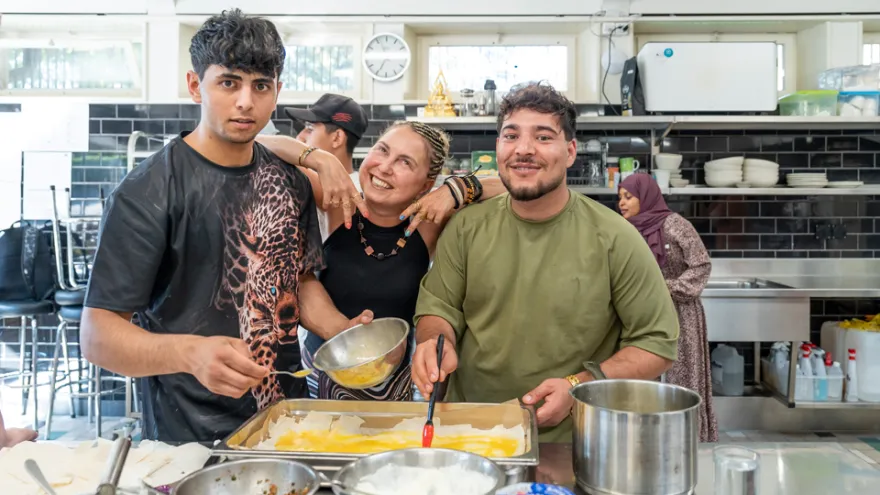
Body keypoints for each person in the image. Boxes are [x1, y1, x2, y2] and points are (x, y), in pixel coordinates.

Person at [80, 9, 367, 442]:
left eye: (261, 86)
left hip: (284, 422)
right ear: (196, 86)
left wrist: (337, 330)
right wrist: (191, 353)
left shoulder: (290, 182)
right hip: (188, 434)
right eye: (229, 82)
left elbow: (296, 280)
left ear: (276, 91)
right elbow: (98, 335)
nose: (246, 102)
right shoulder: (149, 190)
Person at [411, 82, 681, 442]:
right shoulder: (465, 228)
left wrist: (578, 386)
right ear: (498, 147)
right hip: (469, 429)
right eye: (511, 136)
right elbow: (439, 308)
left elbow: (657, 343)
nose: (523, 149)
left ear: (570, 151)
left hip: (573, 440)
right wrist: (433, 342)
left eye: (542, 137)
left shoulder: (616, 238)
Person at [259, 121, 506, 400]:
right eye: (382, 151)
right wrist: (318, 157)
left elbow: (514, 188)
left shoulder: (428, 224)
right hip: (323, 374)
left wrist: (457, 189)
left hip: (392, 383)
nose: (385, 167)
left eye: (404, 162)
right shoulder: (338, 202)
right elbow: (260, 144)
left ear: (426, 185)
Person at [618, 174, 718, 442]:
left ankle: (685, 440)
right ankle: (648, 440)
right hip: (645, 315)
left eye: (628, 197)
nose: (622, 203)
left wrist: (667, 287)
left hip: (679, 313)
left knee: (679, 378)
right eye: (620, 198)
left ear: (646, 196)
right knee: (645, 376)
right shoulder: (627, 229)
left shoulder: (675, 225)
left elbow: (701, 265)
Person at [277, 94, 369, 241]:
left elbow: (256, 145)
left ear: (337, 138)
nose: (300, 136)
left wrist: (305, 155)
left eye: (310, 128)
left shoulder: (354, 189)